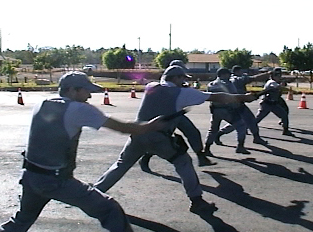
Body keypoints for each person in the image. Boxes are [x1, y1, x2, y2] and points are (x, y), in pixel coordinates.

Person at [0, 71, 164, 232]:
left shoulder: (43, 103)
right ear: (72, 90)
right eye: (86, 91)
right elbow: (124, 128)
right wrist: (151, 126)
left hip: (30, 176)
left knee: (20, 222)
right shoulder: (78, 109)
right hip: (56, 180)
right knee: (109, 209)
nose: (89, 96)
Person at [94, 65, 257, 214]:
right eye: (182, 78)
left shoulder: (151, 87)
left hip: (137, 134)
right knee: (183, 162)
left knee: (121, 165)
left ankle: (95, 193)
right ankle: (197, 201)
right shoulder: (182, 93)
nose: (184, 81)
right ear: (176, 78)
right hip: (159, 137)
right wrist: (243, 97)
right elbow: (217, 97)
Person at [139, 60, 215, 172]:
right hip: (167, 114)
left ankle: (201, 156)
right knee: (161, 138)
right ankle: (145, 158)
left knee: (192, 131)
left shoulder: (174, 79)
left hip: (177, 113)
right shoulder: (166, 80)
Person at [215, 65, 270, 145]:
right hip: (237, 104)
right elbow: (254, 78)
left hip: (236, 103)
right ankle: (220, 135)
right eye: (240, 71)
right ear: (237, 71)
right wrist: (268, 73)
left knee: (249, 120)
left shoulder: (230, 79)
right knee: (238, 123)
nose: (242, 73)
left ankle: (256, 137)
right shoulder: (238, 79)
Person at [204, 68, 251, 156]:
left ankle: (207, 148)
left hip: (215, 110)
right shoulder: (227, 83)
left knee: (213, 129)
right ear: (223, 74)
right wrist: (244, 97)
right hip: (227, 110)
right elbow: (233, 96)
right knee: (241, 125)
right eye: (228, 74)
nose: (229, 76)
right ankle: (240, 146)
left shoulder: (211, 84)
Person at [255, 68, 295, 136]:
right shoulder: (271, 82)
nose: (279, 77)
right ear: (273, 76)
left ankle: (286, 130)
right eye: (277, 76)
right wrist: (284, 86)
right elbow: (277, 87)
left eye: (279, 76)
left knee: (284, 115)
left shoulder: (274, 82)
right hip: (266, 103)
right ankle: (246, 127)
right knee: (258, 119)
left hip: (273, 104)